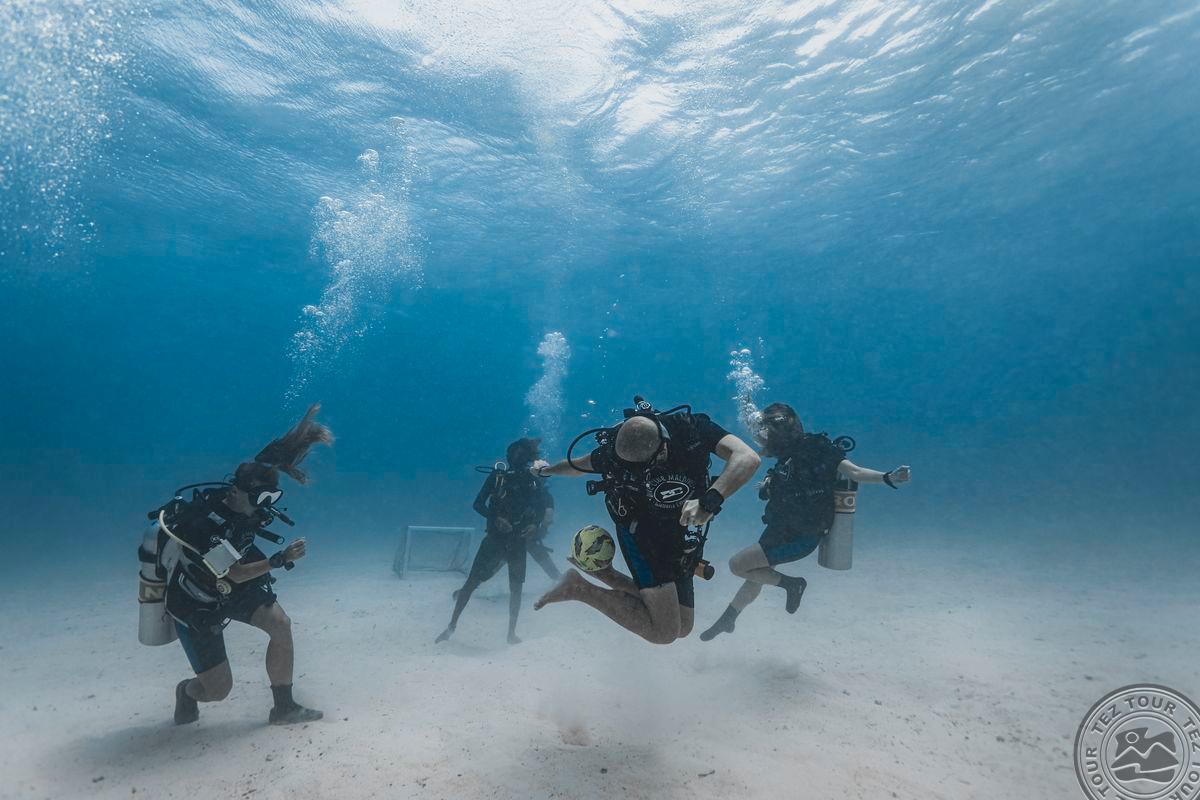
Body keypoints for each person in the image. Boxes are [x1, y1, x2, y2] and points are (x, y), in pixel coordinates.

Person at [532, 398, 760, 645]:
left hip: (679, 529)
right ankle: (578, 588)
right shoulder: (612, 455)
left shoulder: (691, 430)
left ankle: (606, 575)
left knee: (683, 626)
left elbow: (747, 457)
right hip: (641, 533)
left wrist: (709, 501)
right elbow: (577, 466)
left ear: (662, 448)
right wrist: (546, 471)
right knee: (664, 632)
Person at [161, 404, 333, 725]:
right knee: (217, 690)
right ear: (238, 492)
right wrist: (280, 559)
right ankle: (186, 692)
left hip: (230, 588)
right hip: (197, 600)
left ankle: (284, 708)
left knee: (280, 624)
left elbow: (238, 568)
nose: (265, 508)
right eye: (260, 499)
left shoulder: (251, 509)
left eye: (271, 500)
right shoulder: (204, 525)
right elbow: (235, 573)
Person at [699, 402, 910, 641]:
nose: (762, 437)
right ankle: (729, 618)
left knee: (738, 565)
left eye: (767, 431)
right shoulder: (786, 457)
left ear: (781, 431)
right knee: (756, 573)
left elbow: (855, 472)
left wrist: (887, 477)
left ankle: (792, 585)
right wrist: (769, 484)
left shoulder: (817, 447)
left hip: (802, 534)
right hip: (781, 528)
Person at [437, 437, 552, 645]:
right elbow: (478, 504)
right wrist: (496, 518)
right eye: (514, 454)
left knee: (516, 588)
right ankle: (451, 626)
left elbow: (541, 509)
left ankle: (511, 633)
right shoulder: (498, 477)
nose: (517, 458)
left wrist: (534, 525)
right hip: (495, 538)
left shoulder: (533, 480)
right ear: (508, 456)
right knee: (472, 582)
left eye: (522, 454)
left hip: (518, 540)